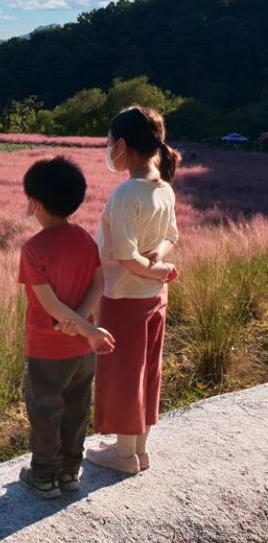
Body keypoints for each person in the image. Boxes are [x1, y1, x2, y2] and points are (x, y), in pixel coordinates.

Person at [84, 106, 180, 475]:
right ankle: (138, 449)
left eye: (109, 143)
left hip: (124, 297)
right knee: (148, 369)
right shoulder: (164, 188)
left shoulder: (126, 194)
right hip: (155, 299)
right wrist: (160, 260)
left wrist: (158, 269)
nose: (108, 149)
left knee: (123, 371)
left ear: (122, 145)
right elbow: (171, 235)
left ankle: (124, 455)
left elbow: (125, 257)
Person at [17, 156, 115, 499]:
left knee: (45, 409)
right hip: (81, 351)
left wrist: (82, 328)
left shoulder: (34, 249)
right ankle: (71, 473)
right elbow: (98, 283)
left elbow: (50, 305)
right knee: (76, 407)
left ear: (36, 203)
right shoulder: (85, 239)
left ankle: (43, 476)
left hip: (47, 349)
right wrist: (85, 323)